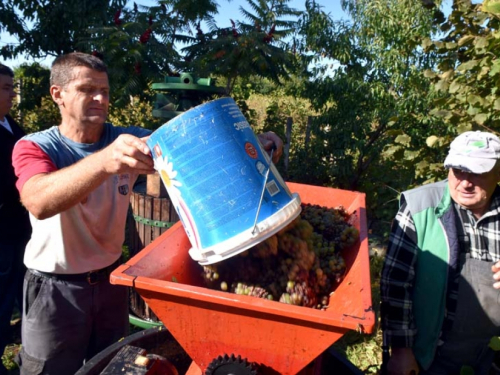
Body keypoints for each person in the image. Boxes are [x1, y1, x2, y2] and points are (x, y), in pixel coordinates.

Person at [11, 51, 283, 375]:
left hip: (111, 287)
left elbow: (196, 155)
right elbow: (38, 201)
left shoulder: (127, 139)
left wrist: (253, 147)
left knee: (112, 367)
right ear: (58, 94)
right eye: (87, 90)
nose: (100, 98)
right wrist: (104, 161)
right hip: (56, 293)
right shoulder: (37, 146)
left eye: (106, 91)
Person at [380, 130, 500, 375]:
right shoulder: (419, 208)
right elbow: (395, 283)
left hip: (491, 358)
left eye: (478, 172)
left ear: (498, 173)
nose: (466, 182)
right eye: (459, 170)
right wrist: (401, 351)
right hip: (429, 357)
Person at [0, 64, 31, 375]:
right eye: (6, 88)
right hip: (3, 231)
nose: (12, 93)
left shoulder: (11, 126)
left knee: (20, 294)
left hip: (20, 228)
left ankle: (24, 351)